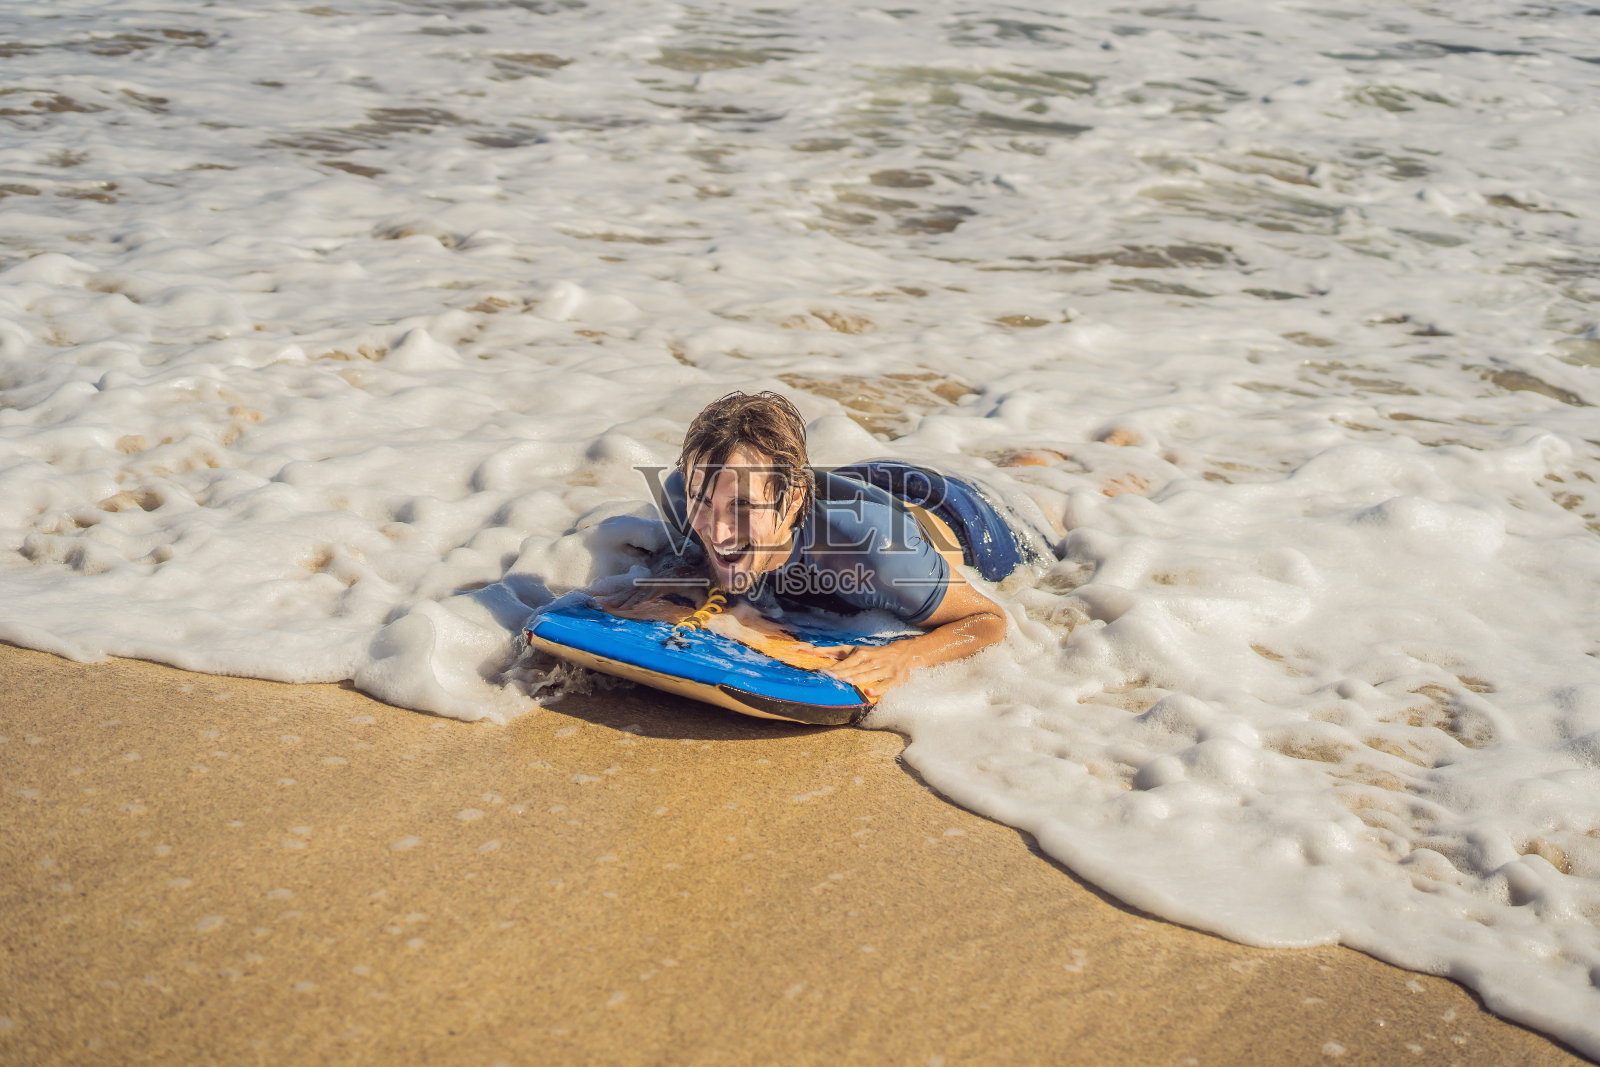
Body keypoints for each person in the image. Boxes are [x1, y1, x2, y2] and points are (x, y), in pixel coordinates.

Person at [615, 391, 1053, 701]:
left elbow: (989, 620)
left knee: (1044, 494)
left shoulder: (878, 555)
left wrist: (906, 655)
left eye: (743, 507)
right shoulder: (686, 490)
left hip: (970, 517)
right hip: (863, 479)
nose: (719, 531)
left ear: (794, 501)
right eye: (703, 502)